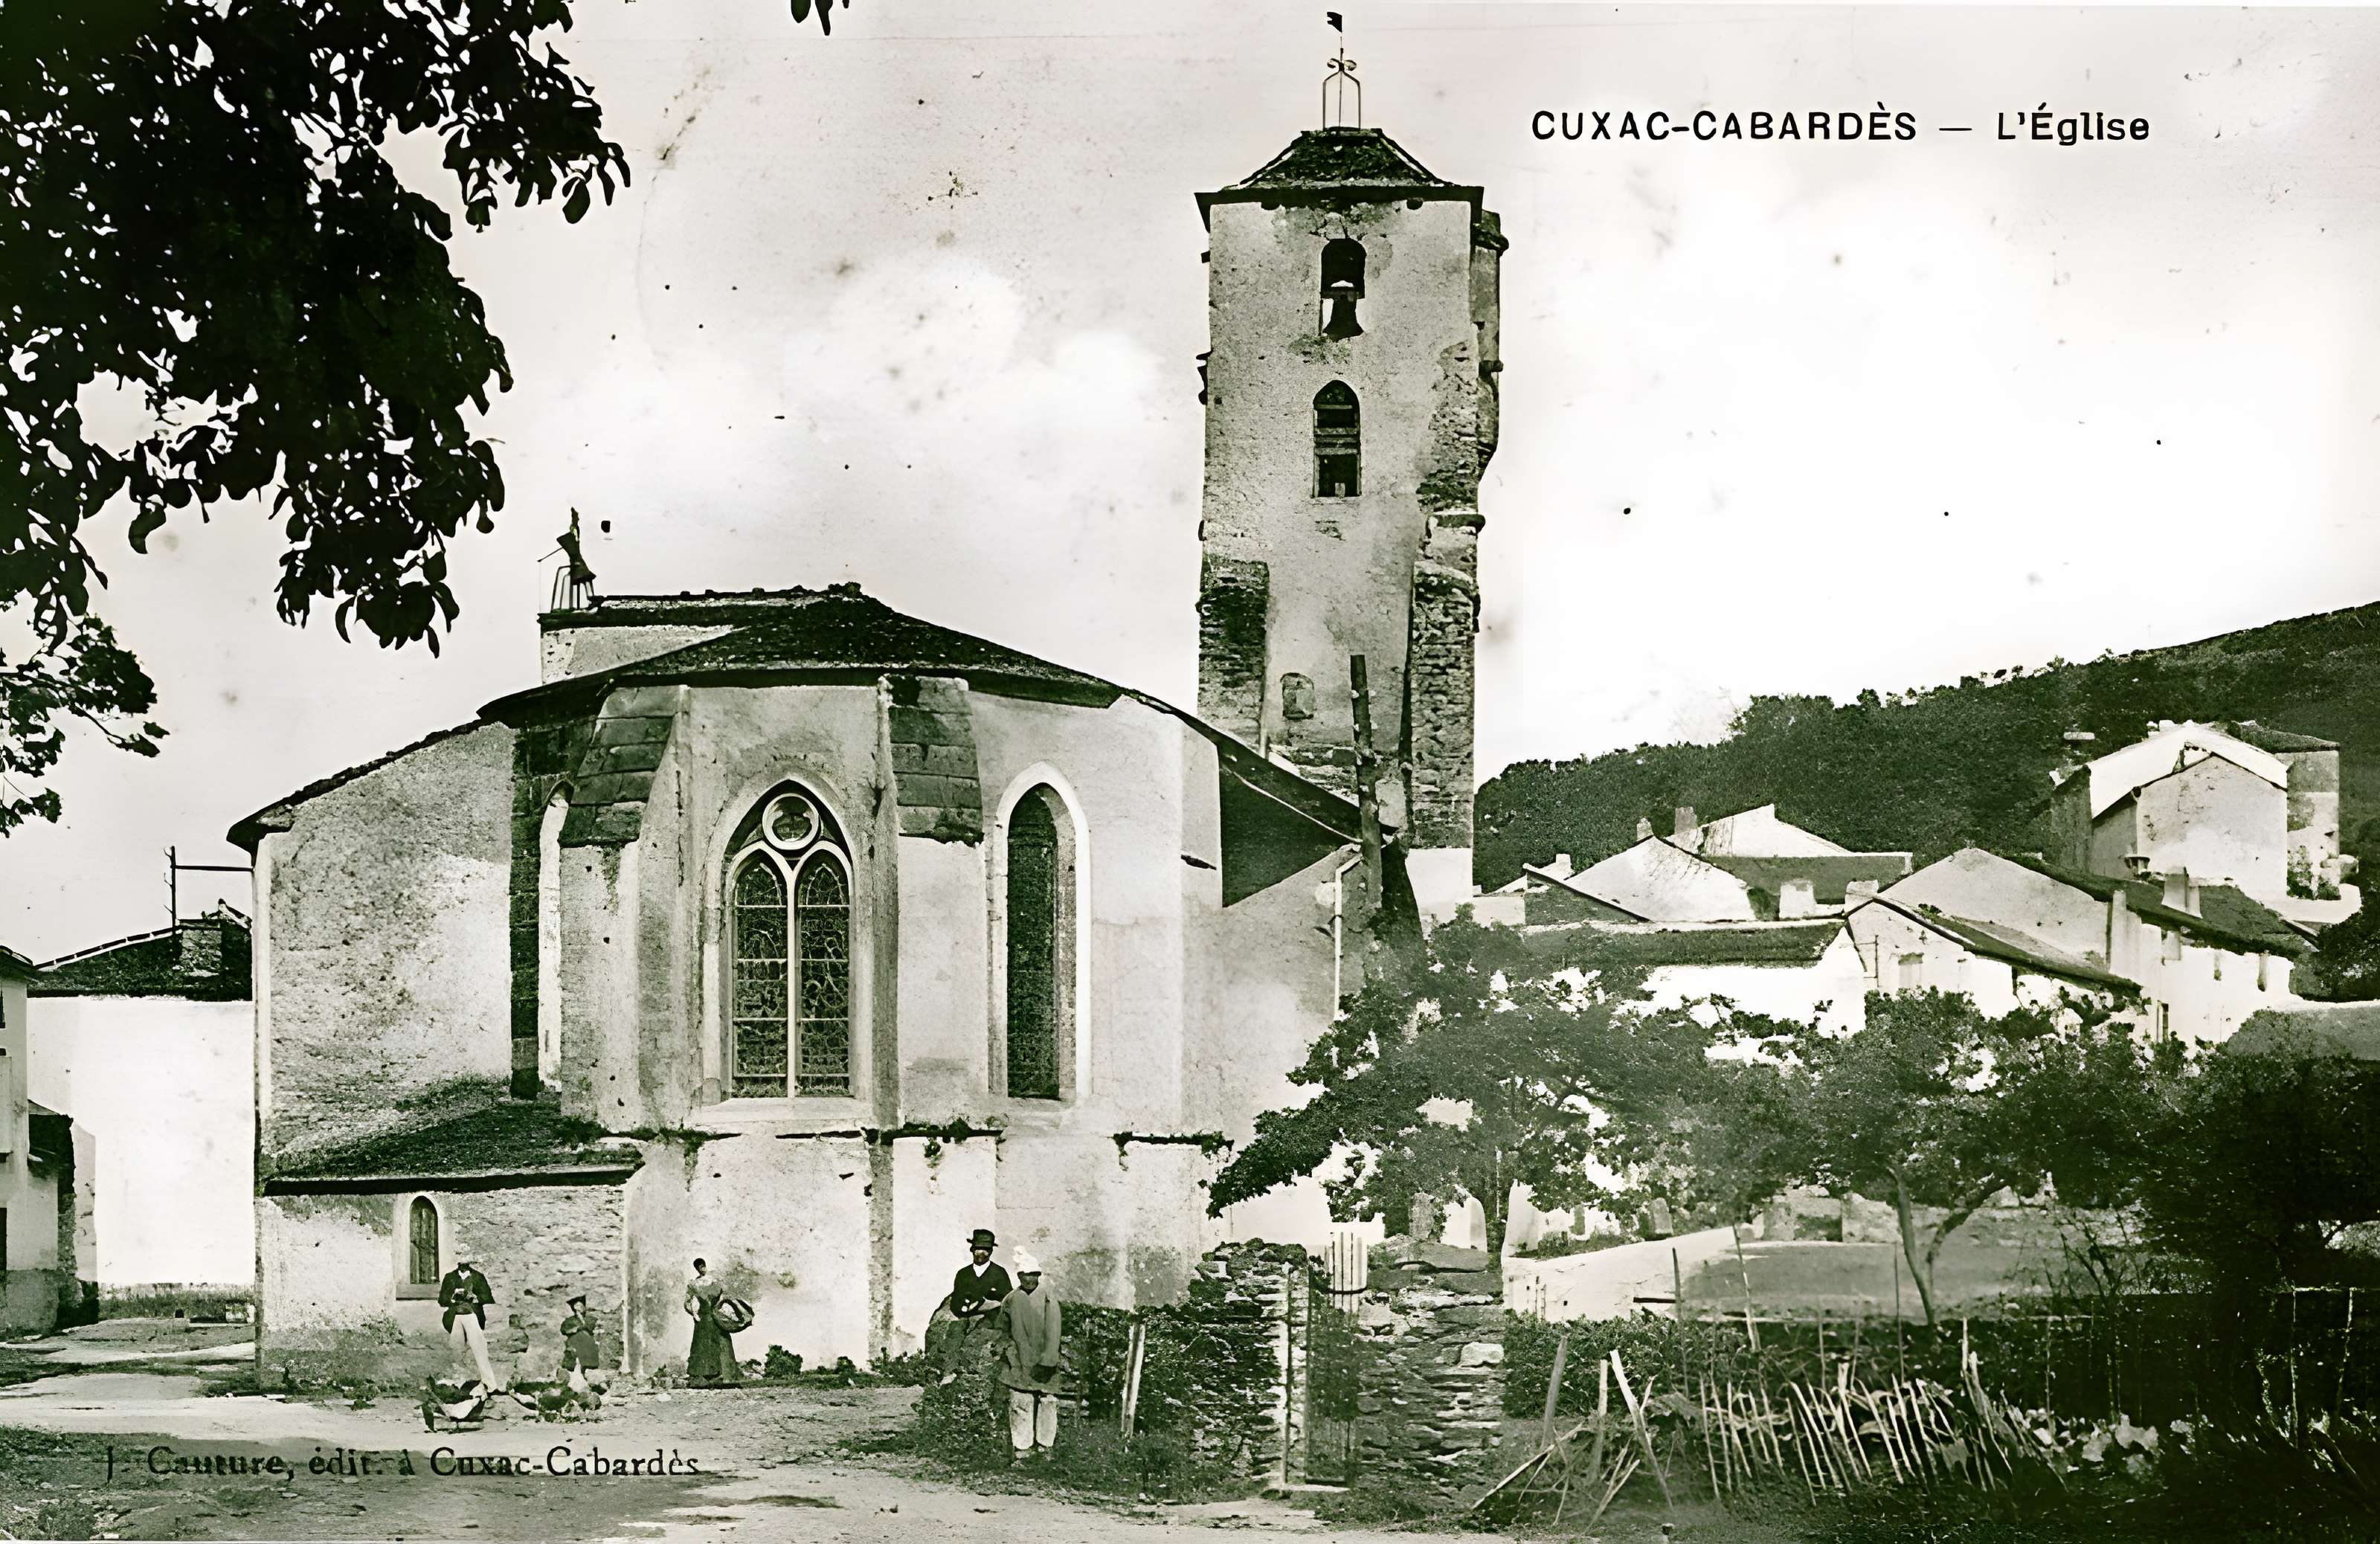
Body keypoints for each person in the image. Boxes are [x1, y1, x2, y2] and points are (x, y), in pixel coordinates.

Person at [997, 1250, 1063, 1461]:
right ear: (1019, 1276)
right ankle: (1022, 1449)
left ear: (1039, 1275)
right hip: (1019, 1357)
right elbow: (1002, 1328)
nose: (1029, 1278)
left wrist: (1049, 1359)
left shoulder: (1048, 1297)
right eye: (1025, 1274)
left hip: (1044, 1358)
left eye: (1034, 1274)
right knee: (1020, 1401)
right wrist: (1008, 1351)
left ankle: (1045, 1447)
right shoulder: (1011, 1299)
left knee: (1048, 1401)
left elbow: (1054, 1329)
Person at [935, 1227, 1013, 1384]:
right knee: (954, 1332)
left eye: (985, 1250)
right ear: (972, 1250)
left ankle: (975, 1378)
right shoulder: (963, 1274)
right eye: (978, 1249)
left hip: (991, 1318)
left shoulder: (999, 1273)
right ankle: (950, 1374)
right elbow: (957, 1302)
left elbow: (1007, 1300)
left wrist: (990, 1306)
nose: (981, 1253)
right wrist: (969, 1311)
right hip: (966, 1316)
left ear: (991, 1252)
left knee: (979, 1340)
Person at [437, 1256, 501, 1391]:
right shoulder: (450, 1277)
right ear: (458, 1263)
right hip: (455, 1317)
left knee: (479, 1349)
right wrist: (452, 1297)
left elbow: (488, 1297)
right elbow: (442, 1300)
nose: (463, 1266)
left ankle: (490, 1385)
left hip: (472, 1316)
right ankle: (460, 1385)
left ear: (470, 1263)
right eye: (461, 1263)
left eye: (466, 1263)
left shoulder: (478, 1277)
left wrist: (475, 1297)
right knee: (456, 1350)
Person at [684, 1258, 742, 1386]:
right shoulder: (706, 1283)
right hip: (710, 1319)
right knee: (710, 1346)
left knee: (711, 1346)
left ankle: (717, 1378)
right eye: (700, 1266)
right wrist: (697, 1314)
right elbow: (722, 1301)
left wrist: (696, 1314)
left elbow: (688, 1303)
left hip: (709, 1320)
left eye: (702, 1266)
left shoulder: (702, 1283)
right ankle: (715, 1379)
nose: (702, 1268)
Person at [559, 1294, 602, 1394]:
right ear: (575, 1307)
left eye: (582, 1305)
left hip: (589, 1348)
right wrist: (578, 1329)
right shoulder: (569, 1321)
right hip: (576, 1346)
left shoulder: (590, 1319)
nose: (582, 1308)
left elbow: (594, 1328)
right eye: (579, 1305)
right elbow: (565, 1330)